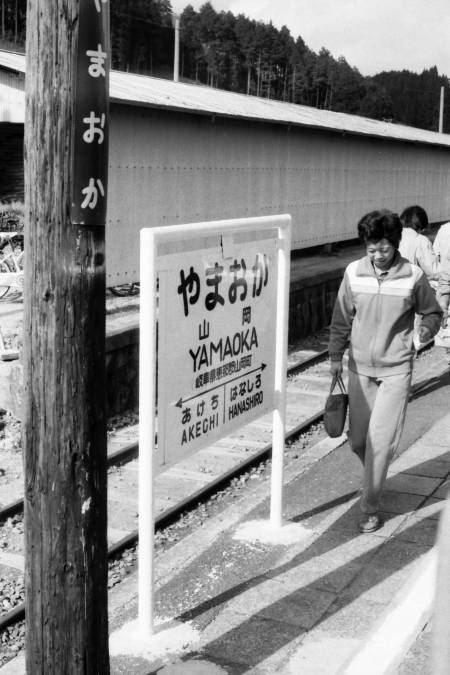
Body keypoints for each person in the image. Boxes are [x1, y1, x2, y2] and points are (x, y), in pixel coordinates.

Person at [328, 210, 442, 534]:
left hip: (396, 370)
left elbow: (433, 312)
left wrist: (423, 334)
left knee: (380, 443)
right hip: (359, 368)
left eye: (384, 248)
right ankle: (374, 477)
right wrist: (335, 356)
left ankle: (370, 507)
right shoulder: (353, 273)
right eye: (371, 249)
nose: (377, 255)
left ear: (395, 244)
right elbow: (341, 317)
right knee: (358, 441)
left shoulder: (413, 276)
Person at [399, 205, 439, 349]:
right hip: (409, 292)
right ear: (421, 225)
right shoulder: (420, 240)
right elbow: (433, 271)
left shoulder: (392, 236)